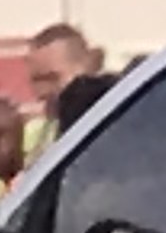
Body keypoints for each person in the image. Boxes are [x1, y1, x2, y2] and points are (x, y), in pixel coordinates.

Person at [24, 23, 108, 155]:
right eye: (37, 81)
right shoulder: (33, 137)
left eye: (52, 78)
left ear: (85, 68)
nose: (42, 92)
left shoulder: (113, 122)